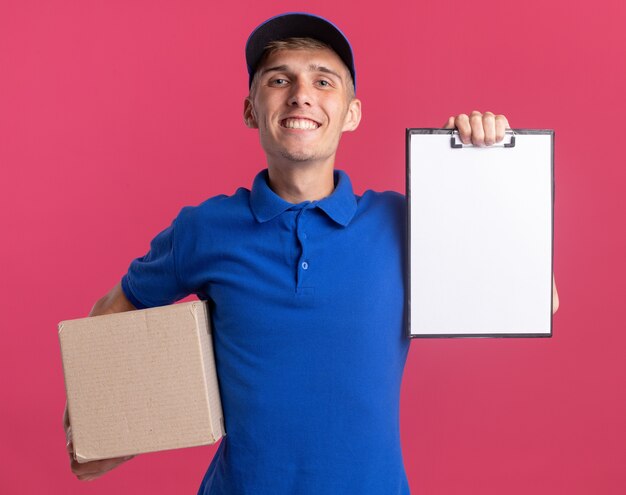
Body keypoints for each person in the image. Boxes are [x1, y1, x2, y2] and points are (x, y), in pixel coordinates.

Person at [64, 12, 560, 493]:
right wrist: (101, 427)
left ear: (352, 113)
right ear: (250, 109)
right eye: (279, 80)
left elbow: (536, 297)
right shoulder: (204, 229)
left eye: (324, 81)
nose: (302, 94)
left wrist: (485, 168)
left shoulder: (406, 222)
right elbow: (112, 312)